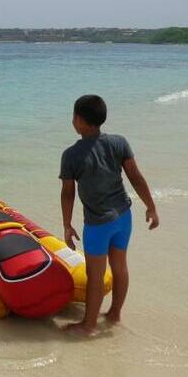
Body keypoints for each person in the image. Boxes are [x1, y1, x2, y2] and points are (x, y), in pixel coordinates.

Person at [59, 95, 159, 336]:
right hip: (123, 217)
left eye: (74, 116)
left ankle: (89, 325)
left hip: (97, 224)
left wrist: (67, 225)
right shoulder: (118, 142)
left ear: (80, 120)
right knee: (120, 267)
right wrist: (151, 206)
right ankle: (114, 314)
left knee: (95, 275)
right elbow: (135, 176)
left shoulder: (71, 155)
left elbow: (67, 194)